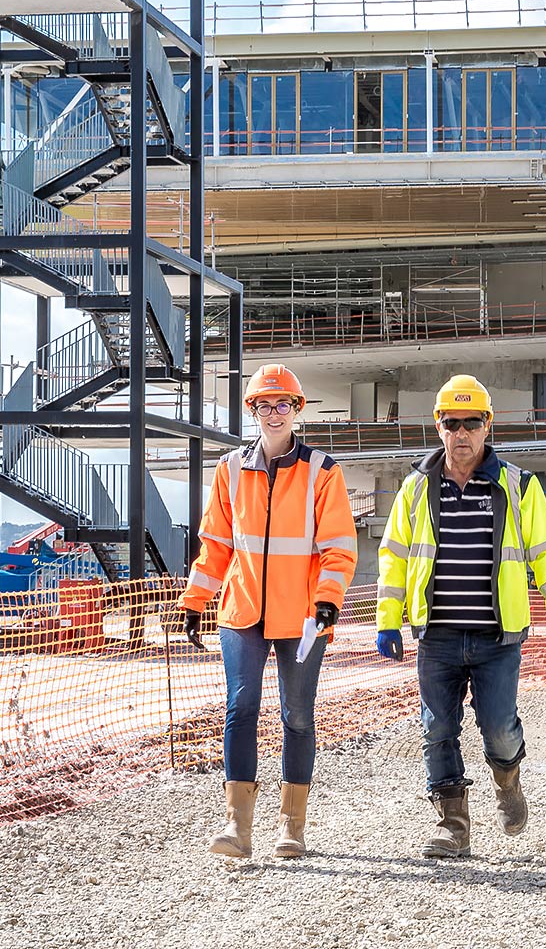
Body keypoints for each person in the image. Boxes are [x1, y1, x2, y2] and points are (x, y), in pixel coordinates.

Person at [374, 374, 546, 859]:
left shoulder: (519, 486)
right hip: (438, 636)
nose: (461, 433)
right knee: (436, 728)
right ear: (438, 426)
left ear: (488, 425)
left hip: (497, 638)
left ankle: (508, 782)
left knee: (499, 726)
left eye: (471, 423)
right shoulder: (417, 488)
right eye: (452, 423)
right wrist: (387, 618)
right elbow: (394, 556)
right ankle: (453, 824)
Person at [179, 363, 357, 859]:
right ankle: (238, 826)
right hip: (242, 611)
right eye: (264, 404)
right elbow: (215, 544)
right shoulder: (230, 470)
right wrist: (194, 600)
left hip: (303, 616)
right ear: (252, 410)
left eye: (284, 405)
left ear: (297, 411)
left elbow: (339, 548)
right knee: (241, 708)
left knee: (297, 716)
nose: (274, 413)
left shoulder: (323, 471)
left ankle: (291, 826)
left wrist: (327, 601)